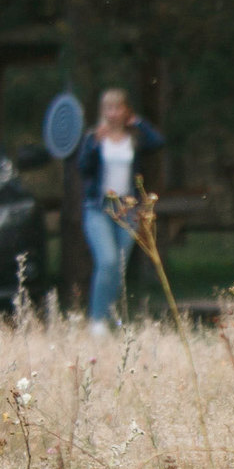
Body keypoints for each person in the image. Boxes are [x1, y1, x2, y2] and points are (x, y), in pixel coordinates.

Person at [73, 89, 164, 336]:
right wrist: (94, 145)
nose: (113, 114)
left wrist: (139, 122)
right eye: (108, 109)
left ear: (125, 110)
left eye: (118, 108)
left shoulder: (133, 138)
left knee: (119, 265)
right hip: (99, 207)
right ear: (103, 112)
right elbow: (83, 168)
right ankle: (97, 321)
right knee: (107, 260)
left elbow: (158, 142)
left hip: (127, 208)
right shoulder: (94, 137)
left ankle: (109, 315)